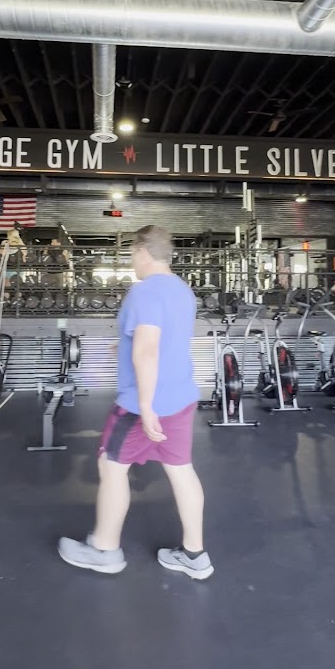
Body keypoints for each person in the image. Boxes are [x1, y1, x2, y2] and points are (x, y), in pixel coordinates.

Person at [58, 225, 213, 580]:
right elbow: (160, 341)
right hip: (181, 398)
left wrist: (144, 406)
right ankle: (194, 555)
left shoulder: (143, 292)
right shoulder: (183, 291)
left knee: (110, 466)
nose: (132, 261)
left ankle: (104, 549)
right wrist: (124, 348)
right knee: (181, 470)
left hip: (143, 404)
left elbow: (147, 350)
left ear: (143, 251)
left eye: (131, 254)